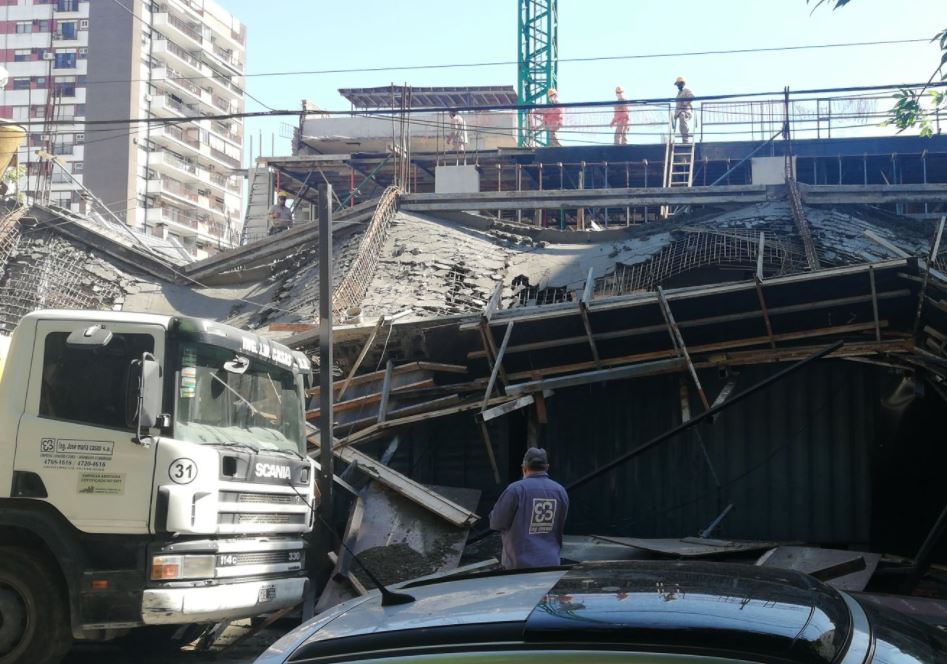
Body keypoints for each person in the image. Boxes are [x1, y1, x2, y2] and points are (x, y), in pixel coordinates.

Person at [489, 447, 569, 569]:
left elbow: (496, 523)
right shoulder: (560, 491)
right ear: (547, 467)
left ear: (524, 468)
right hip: (551, 564)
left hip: (519, 568)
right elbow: (560, 524)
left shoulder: (515, 490)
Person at [674, 76, 695, 143]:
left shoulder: (686, 90)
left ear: (682, 83)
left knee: (682, 117)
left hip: (686, 111)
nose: (678, 86)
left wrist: (685, 103)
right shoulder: (678, 94)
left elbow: (692, 96)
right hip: (680, 112)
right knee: (681, 125)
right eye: (677, 84)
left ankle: (685, 139)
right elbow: (677, 105)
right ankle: (684, 138)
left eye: (679, 84)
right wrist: (676, 113)